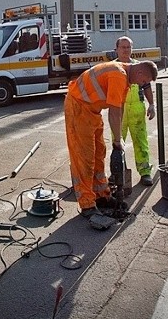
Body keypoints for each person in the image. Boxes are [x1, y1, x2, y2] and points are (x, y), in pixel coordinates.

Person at [64, 59, 158, 221]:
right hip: (78, 108)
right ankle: (87, 203)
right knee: (84, 157)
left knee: (99, 152)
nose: (142, 85)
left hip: (92, 110)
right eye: (144, 81)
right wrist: (117, 140)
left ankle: (101, 195)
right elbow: (114, 112)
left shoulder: (125, 78)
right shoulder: (118, 75)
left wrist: (118, 139)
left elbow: (119, 108)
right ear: (140, 72)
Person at [112, 37, 156, 186]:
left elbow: (147, 86)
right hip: (118, 110)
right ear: (116, 49)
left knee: (141, 141)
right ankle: (118, 173)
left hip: (137, 108)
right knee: (117, 142)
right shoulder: (113, 67)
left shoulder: (139, 67)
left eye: (128, 47)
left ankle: (145, 172)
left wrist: (152, 104)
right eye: (123, 47)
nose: (126, 50)